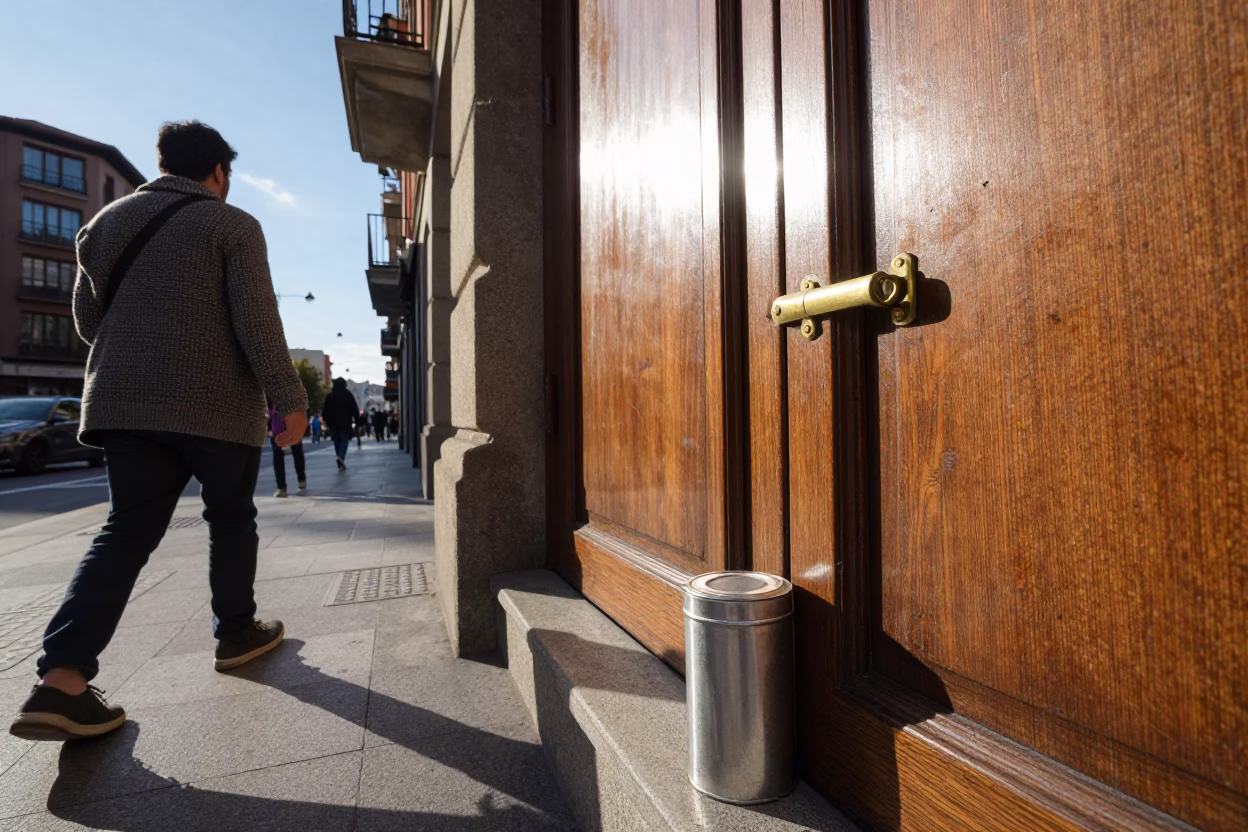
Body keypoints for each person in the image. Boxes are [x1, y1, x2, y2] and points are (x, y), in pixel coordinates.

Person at [8, 121, 307, 743]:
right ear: (218, 172)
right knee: (229, 517)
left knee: (126, 532)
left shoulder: (104, 223)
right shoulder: (231, 224)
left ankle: (60, 681)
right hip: (214, 402)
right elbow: (257, 319)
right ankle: (235, 633)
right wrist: (289, 399)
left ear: (162, 163)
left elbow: (90, 321)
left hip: (123, 401)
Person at [268, 406, 306, 497]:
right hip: (278, 420)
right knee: (278, 454)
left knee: (297, 451)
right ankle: (282, 487)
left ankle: (300, 478)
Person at [322, 377, 358, 470]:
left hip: (333, 423)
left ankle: (339, 456)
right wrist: (357, 419)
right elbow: (354, 408)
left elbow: (325, 409)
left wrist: (325, 419)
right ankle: (340, 457)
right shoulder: (348, 394)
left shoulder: (330, 395)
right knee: (344, 440)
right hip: (345, 422)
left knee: (336, 440)